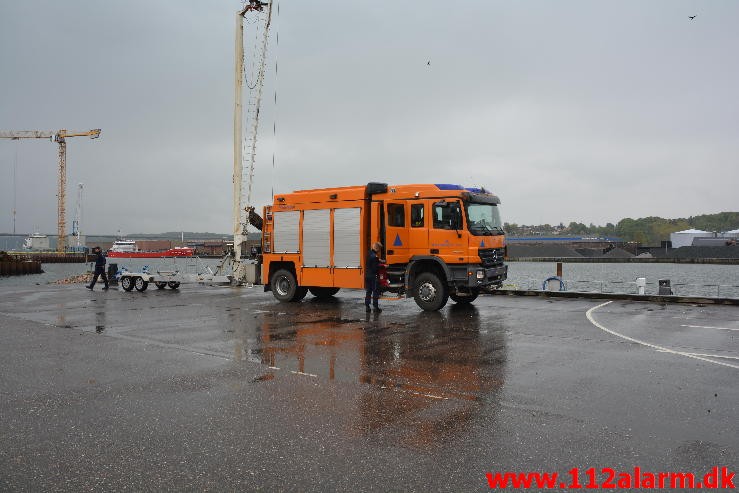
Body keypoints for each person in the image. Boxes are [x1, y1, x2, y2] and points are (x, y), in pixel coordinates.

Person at [365, 242, 384, 312]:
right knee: (375, 292)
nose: (379, 251)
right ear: (377, 248)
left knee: (368, 291)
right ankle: (376, 308)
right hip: (374, 276)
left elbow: (371, 261)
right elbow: (375, 268)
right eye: (379, 249)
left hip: (367, 276)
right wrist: (382, 265)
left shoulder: (369, 253)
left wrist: (379, 260)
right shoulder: (375, 257)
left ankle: (367, 307)